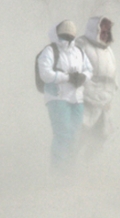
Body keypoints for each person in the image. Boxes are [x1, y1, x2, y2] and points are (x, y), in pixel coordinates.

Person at [38, 20, 93, 173]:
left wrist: (82, 77)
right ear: (57, 34)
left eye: (70, 36)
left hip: (77, 99)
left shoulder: (79, 52)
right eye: (64, 35)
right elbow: (45, 74)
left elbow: (89, 69)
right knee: (63, 134)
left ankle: (69, 172)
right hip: (57, 98)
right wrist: (67, 77)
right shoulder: (50, 51)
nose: (67, 39)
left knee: (75, 136)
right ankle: (57, 173)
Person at [76, 16, 118, 157]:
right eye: (102, 31)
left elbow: (113, 75)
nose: (105, 35)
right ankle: (67, 171)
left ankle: (89, 169)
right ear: (95, 30)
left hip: (104, 103)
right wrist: (87, 95)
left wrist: (111, 95)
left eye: (108, 32)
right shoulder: (81, 45)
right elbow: (77, 72)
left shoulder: (108, 51)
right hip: (86, 101)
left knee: (100, 137)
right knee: (80, 136)